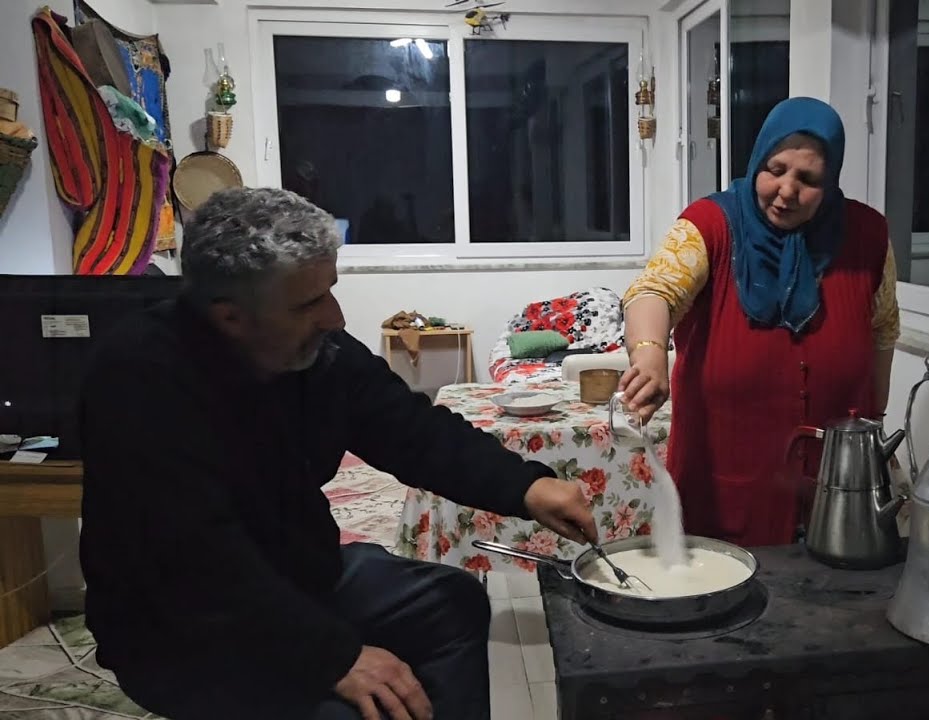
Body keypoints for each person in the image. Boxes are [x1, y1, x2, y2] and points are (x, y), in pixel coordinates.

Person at [78, 187, 598, 720]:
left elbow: (411, 429)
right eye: (308, 303)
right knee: (348, 709)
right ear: (230, 317)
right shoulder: (139, 379)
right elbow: (199, 560)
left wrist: (525, 486)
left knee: (453, 600)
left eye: (330, 290)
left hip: (297, 580)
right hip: (182, 628)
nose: (335, 316)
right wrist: (333, 656)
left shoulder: (317, 353)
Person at [618, 97, 900, 547]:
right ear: (757, 162)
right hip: (725, 483)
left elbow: (883, 328)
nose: (786, 190)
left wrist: (874, 426)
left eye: (808, 179)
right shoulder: (711, 225)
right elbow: (652, 292)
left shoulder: (867, 234)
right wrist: (650, 355)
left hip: (839, 488)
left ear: (830, 184)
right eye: (776, 169)